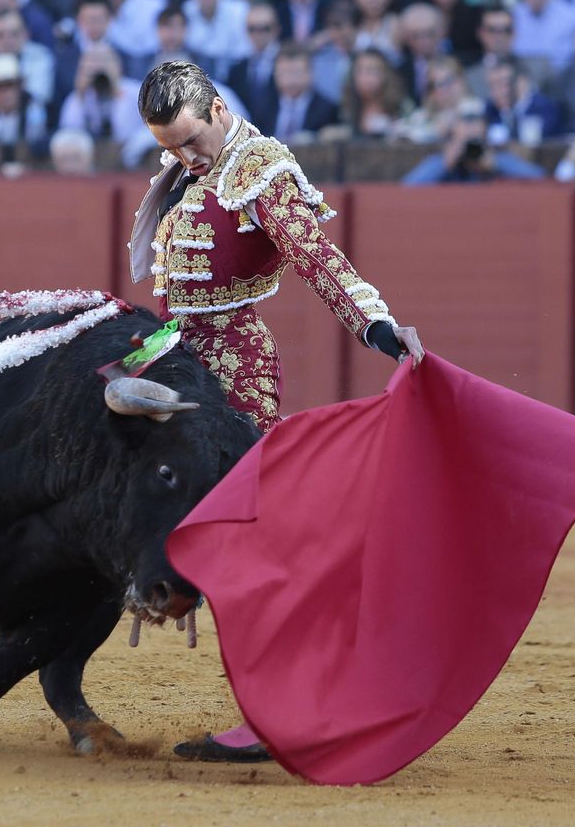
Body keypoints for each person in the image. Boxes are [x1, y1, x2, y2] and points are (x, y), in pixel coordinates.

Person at [129, 60, 424, 761]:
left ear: (220, 108)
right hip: (181, 355)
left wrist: (377, 328)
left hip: (234, 371)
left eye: (193, 140)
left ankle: (281, 708)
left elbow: (319, 258)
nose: (186, 157)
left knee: (253, 537)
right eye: (172, 148)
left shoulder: (260, 167)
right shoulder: (197, 173)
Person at [400, 97, 545, 182]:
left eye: (476, 121)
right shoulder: (442, 160)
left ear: (485, 128)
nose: (471, 128)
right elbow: (407, 188)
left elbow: (540, 178)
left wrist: (496, 164)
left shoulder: (497, 158)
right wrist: (445, 164)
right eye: (465, 121)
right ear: (454, 128)